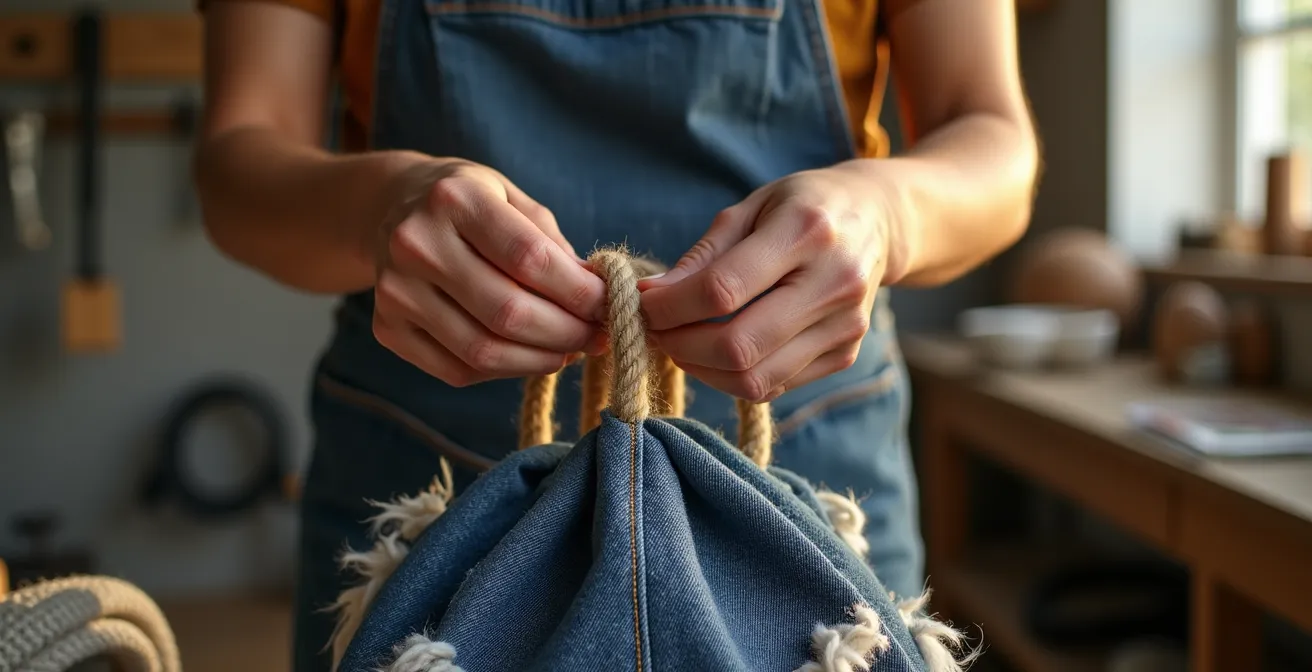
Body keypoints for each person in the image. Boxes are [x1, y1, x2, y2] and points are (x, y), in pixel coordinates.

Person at [194, 0, 1039, 669]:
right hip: (433, 477)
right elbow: (238, 160)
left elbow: (993, 139)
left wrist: (885, 215)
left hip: (804, 464)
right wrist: (383, 208)